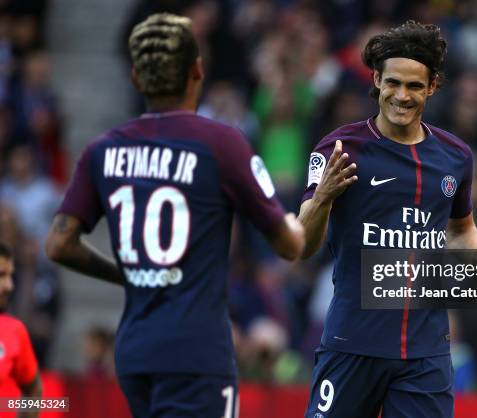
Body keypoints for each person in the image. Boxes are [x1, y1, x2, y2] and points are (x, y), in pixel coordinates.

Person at [45, 13, 304, 418]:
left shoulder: (103, 150)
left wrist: (124, 272)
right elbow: (289, 245)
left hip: (135, 352)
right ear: (197, 70)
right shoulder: (222, 143)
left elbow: (59, 243)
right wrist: (315, 205)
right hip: (197, 355)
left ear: (135, 77)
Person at [299, 21, 477, 418]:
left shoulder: (456, 156)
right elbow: (305, 246)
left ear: (432, 87)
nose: (401, 95)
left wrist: (476, 265)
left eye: (414, 86)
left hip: (426, 353)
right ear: (376, 80)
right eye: (392, 82)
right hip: (352, 342)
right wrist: (322, 198)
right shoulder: (340, 148)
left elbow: (461, 229)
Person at [0, 242, 43, 418]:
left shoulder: (13, 330)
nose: (9, 286)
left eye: (11, 275)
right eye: (1, 275)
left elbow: (33, 391)